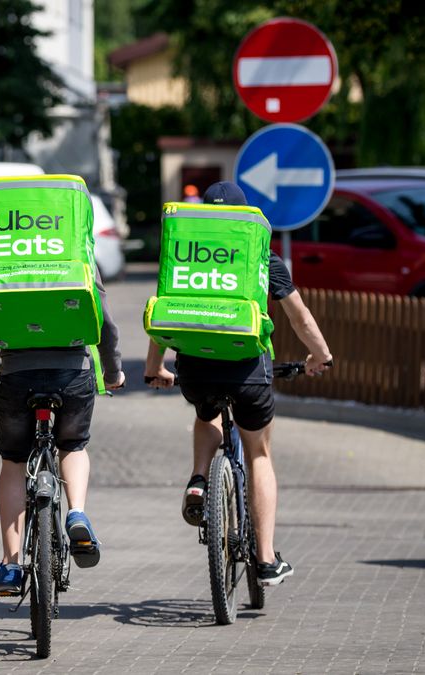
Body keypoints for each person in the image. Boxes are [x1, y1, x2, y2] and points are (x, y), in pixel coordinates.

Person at [144, 180, 333, 586]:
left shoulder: (184, 254)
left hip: (195, 367)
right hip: (248, 371)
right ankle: (265, 559)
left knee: (207, 412)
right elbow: (299, 316)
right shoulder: (261, 255)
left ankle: (198, 479)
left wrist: (155, 367)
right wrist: (320, 355)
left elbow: (163, 317)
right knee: (258, 454)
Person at [0, 278, 124, 593]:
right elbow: (104, 321)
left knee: (14, 461)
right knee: (73, 446)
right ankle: (76, 512)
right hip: (72, 374)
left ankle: (11, 565)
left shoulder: (2, 255)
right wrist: (113, 370)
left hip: (16, 374)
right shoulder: (76, 252)